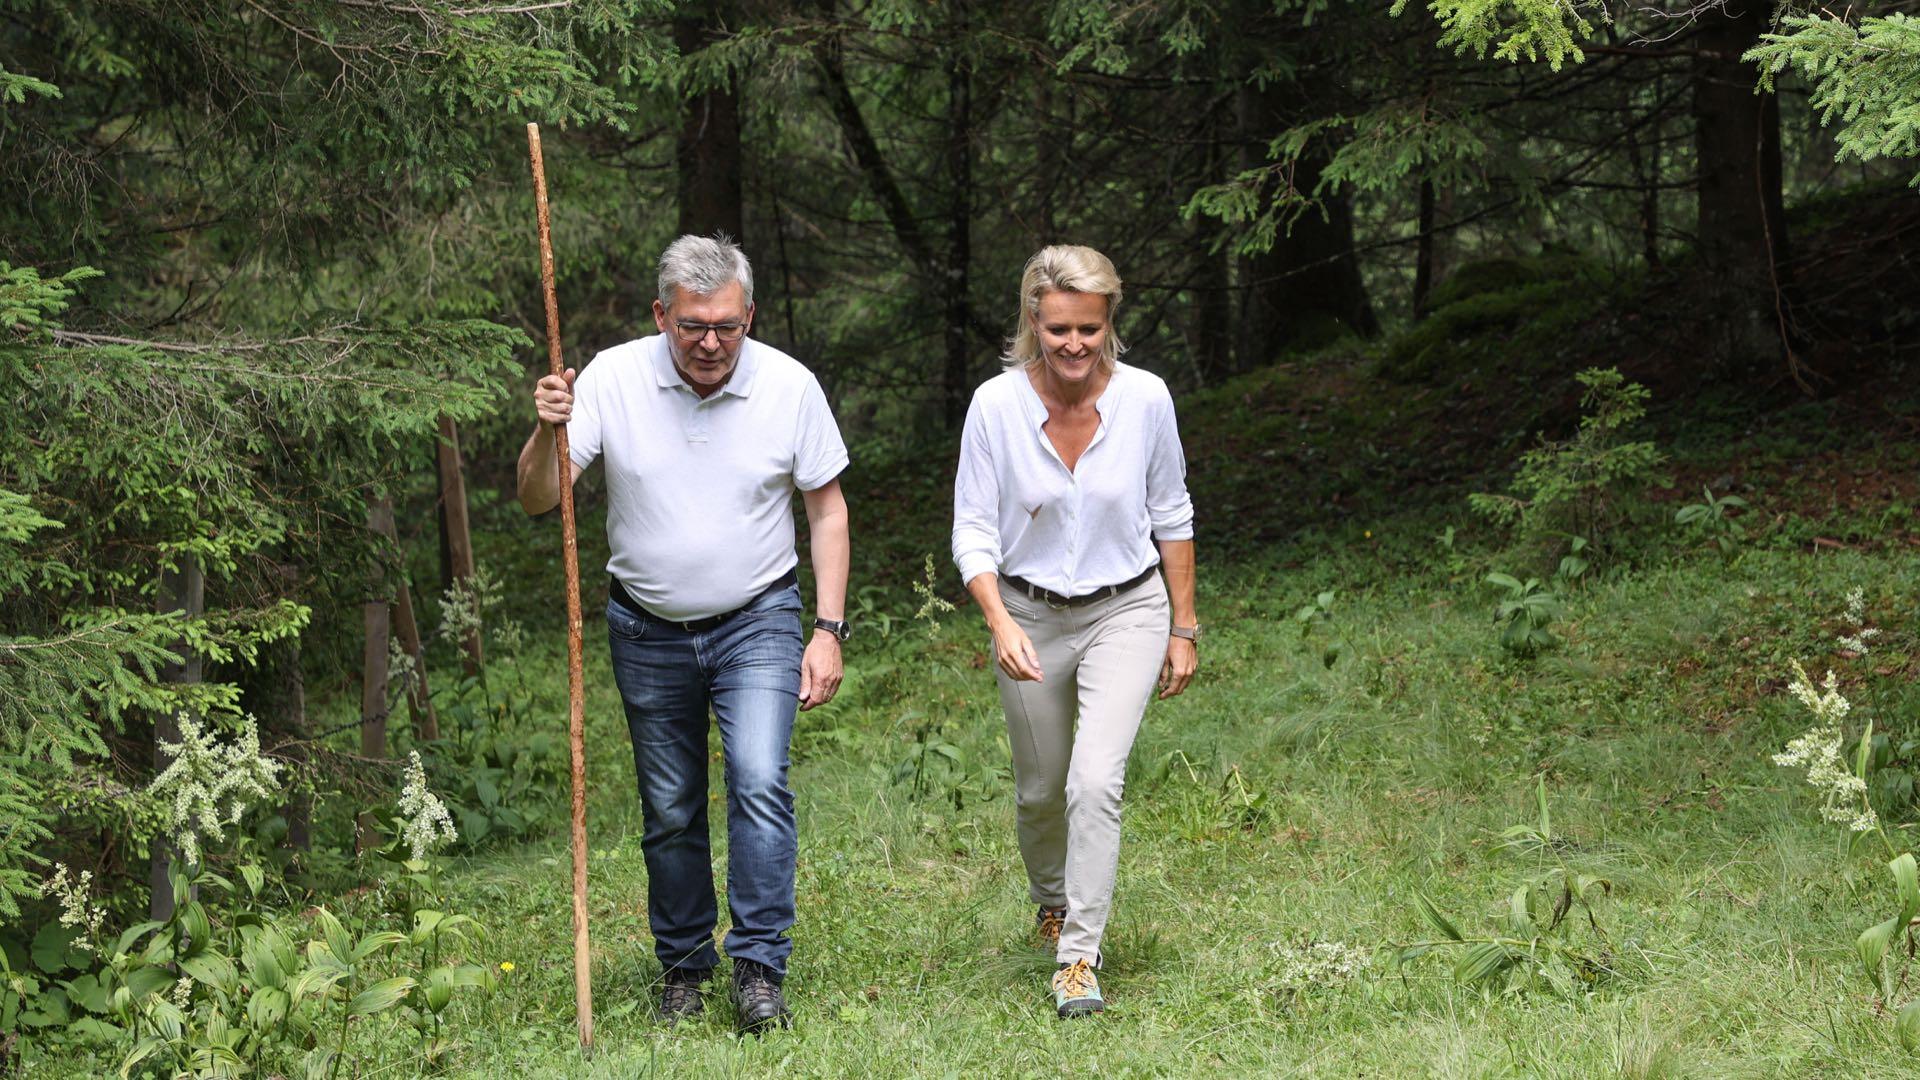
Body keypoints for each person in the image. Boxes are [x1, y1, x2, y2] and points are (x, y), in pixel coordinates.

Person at [517, 234, 852, 1033]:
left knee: (759, 778)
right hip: (646, 626)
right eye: (693, 325)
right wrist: (545, 430)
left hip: (758, 618)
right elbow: (538, 498)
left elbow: (827, 508)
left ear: (749, 317)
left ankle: (760, 967)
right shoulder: (611, 377)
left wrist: (828, 627)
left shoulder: (789, 387)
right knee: (668, 805)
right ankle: (683, 968)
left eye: (727, 327)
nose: (710, 343)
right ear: (661, 314)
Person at [951, 244, 1199, 1019]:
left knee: (1095, 780)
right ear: (1034, 319)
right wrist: (998, 621)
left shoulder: (1147, 399)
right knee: (1040, 790)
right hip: (1025, 613)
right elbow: (972, 532)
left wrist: (1183, 628)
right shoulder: (995, 406)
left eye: (1089, 329)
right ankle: (1050, 899)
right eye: (1058, 329)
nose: (1074, 346)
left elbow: (1173, 513)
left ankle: (1079, 956)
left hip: (1127, 608)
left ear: (1108, 322)